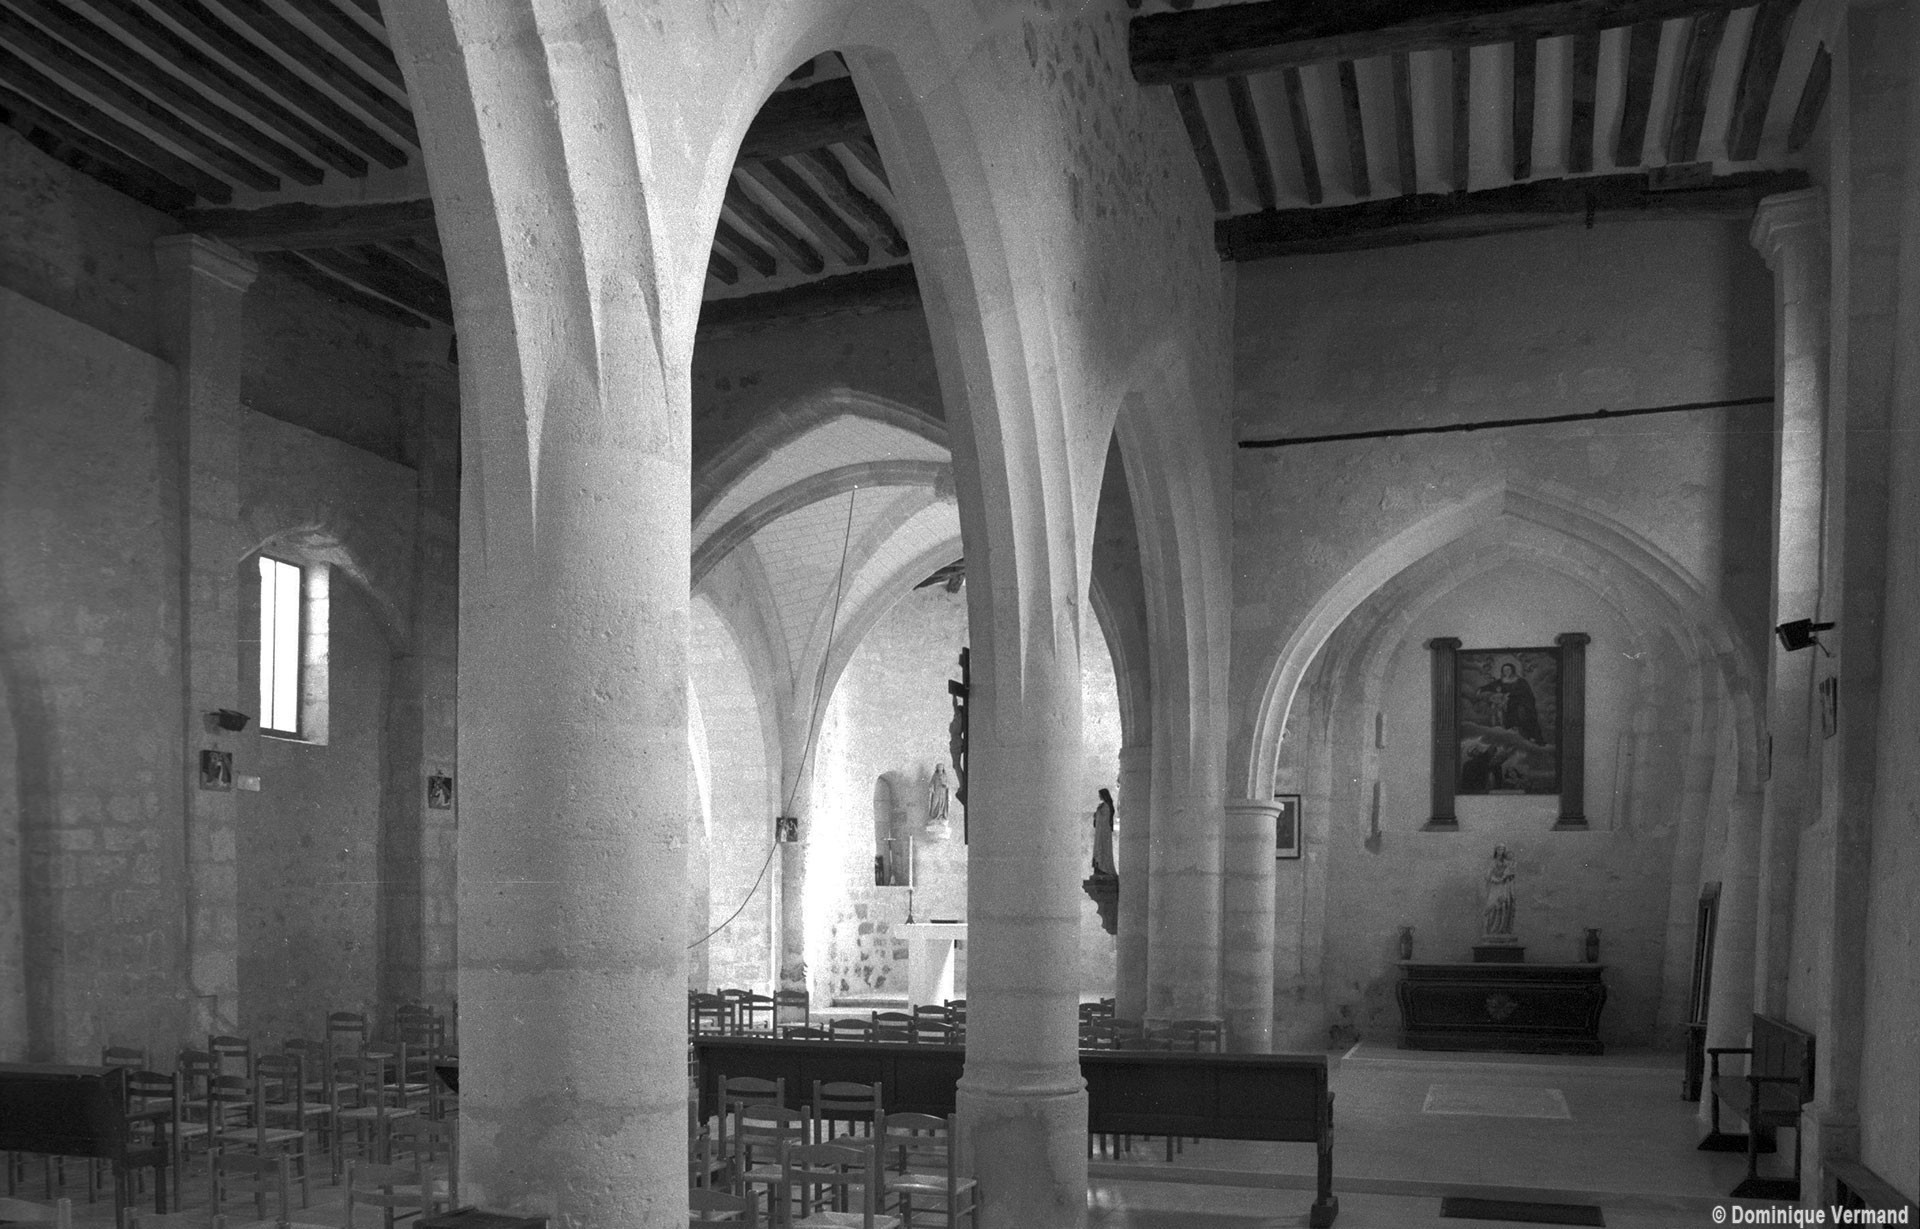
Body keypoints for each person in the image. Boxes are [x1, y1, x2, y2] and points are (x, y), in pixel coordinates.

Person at [1479, 660, 1544, 744]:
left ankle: (1529, 737)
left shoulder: (1521, 681)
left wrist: (1511, 695)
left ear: (1512, 670)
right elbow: (1490, 686)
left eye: (1508, 669)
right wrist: (1481, 689)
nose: (1506, 671)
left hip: (1520, 703)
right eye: (1504, 670)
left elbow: (1527, 693)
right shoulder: (1501, 681)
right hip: (1507, 704)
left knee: (1523, 713)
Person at [1483, 844, 1516, 938]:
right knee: (1493, 906)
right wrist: (1495, 879)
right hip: (1494, 887)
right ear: (1496, 850)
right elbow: (1487, 875)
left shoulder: (1507, 862)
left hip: (1504, 887)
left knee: (1504, 905)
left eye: (1503, 849)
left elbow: (1511, 874)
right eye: (1499, 849)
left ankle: (1503, 929)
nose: (1501, 851)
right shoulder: (1492, 862)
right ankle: (1492, 929)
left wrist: (1507, 876)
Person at [1091, 788, 1117, 876]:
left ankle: (1104, 868)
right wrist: (1096, 815)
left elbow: (1105, 818)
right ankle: (1099, 867)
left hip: (1104, 832)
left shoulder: (1106, 806)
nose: (1099, 796)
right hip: (1100, 832)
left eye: (1100, 795)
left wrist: (1097, 814)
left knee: (1103, 848)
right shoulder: (1102, 806)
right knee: (1099, 847)